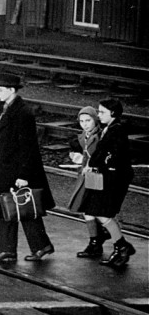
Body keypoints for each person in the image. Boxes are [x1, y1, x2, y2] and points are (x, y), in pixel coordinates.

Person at [0, 73, 55, 265]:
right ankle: (35, 246)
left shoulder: (22, 113)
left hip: (15, 170)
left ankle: (8, 250)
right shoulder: (10, 109)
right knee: (16, 207)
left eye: (0, 89)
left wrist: (23, 175)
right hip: (7, 168)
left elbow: (28, 147)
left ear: (11, 90)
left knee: (14, 207)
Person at [86, 99, 136, 268]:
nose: (98, 115)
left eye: (101, 112)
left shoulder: (116, 130)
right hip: (110, 176)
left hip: (114, 178)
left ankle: (122, 247)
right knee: (101, 211)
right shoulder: (110, 128)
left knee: (103, 212)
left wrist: (100, 165)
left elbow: (111, 154)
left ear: (112, 113)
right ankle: (121, 246)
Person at [68, 106, 110, 258]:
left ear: (95, 120)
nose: (85, 124)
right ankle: (97, 239)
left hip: (95, 175)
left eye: (88, 120)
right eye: (81, 121)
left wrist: (85, 160)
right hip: (87, 176)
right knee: (89, 209)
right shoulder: (84, 136)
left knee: (92, 208)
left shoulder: (99, 136)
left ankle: (98, 239)